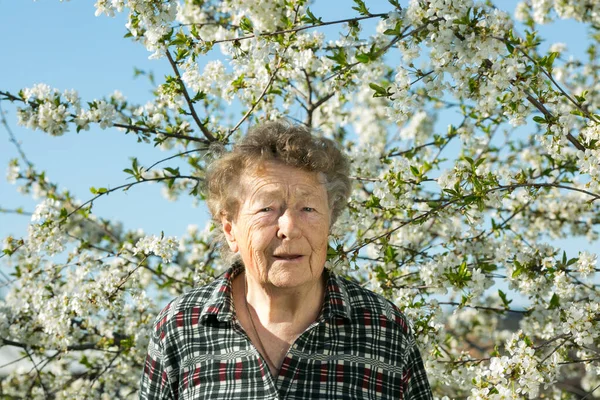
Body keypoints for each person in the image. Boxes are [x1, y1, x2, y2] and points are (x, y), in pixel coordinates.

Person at [139, 121, 433, 399]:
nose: (289, 227)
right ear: (230, 229)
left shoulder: (384, 328)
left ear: (330, 223)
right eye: (267, 208)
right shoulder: (180, 327)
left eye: (308, 208)